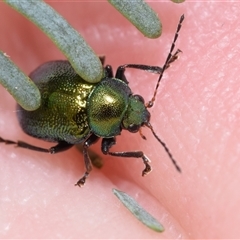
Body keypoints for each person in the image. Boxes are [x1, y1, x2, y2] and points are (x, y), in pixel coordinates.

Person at [0, 2, 239, 238]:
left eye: (133, 123)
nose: (141, 113)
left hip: (40, 89)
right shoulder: (94, 127)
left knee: (70, 145)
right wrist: (135, 156)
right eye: (133, 123)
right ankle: (16, 144)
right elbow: (95, 147)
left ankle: (17, 144)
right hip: (38, 95)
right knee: (63, 149)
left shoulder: (103, 89)